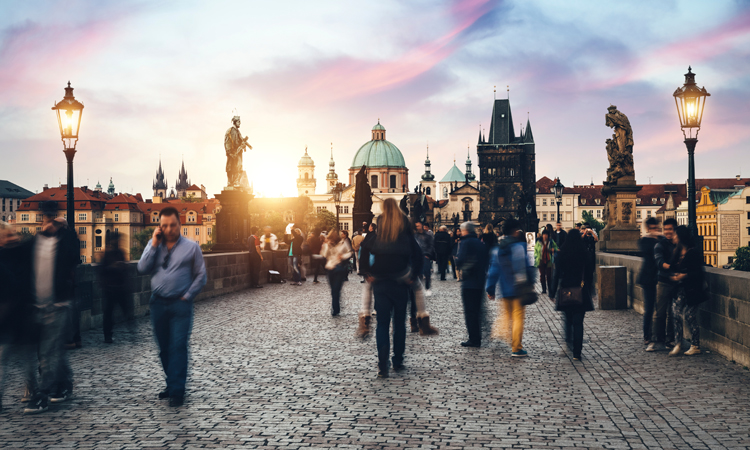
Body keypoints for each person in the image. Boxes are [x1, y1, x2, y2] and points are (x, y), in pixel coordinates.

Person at [137, 207, 207, 407]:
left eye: (173, 225)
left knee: (178, 346)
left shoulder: (192, 247)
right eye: (164, 226)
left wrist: (187, 296)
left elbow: (201, 275)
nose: (169, 229)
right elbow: (141, 268)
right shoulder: (153, 245)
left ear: (180, 224)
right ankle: (172, 383)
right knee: (164, 348)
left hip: (180, 304)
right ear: (160, 227)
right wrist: (154, 244)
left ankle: (177, 390)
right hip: (157, 303)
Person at [24, 202, 80, 414]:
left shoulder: (64, 240)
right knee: (50, 351)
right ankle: (64, 385)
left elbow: (75, 257)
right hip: (37, 304)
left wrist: (66, 230)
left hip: (58, 304)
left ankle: (42, 395)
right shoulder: (35, 241)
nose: (47, 219)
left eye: (50, 216)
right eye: (44, 216)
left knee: (47, 352)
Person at [359, 198, 423, 377]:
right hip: (401, 280)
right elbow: (417, 253)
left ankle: (382, 362)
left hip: (380, 280)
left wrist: (366, 272)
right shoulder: (405, 229)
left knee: (382, 323)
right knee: (399, 323)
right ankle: (398, 359)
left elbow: (363, 249)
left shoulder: (379, 230)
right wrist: (414, 275)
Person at [0, 222, 37, 414]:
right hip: (12, 318)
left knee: (27, 361)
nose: (11, 238)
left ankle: (33, 391)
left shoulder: (22, 252)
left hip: (20, 315)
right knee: (6, 361)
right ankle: (32, 391)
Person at [486, 218, 533, 357]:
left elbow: (493, 270)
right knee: (518, 317)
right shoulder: (519, 246)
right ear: (515, 231)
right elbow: (527, 267)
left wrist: (490, 288)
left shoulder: (498, 249)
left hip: (504, 289)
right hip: (519, 288)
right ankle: (516, 348)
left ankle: (500, 332)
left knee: (507, 315)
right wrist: (530, 282)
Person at [549, 229, 595, 360]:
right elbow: (590, 274)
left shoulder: (562, 253)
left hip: (566, 290)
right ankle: (577, 353)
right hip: (581, 290)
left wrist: (552, 292)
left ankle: (568, 341)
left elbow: (556, 274)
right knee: (578, 322)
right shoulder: (584, 253)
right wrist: (591, 291)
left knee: (568, 320)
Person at [668, 225, 706, 356]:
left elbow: (698, 272)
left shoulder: (693, 252)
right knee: (675, 314)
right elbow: (672, 267)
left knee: (690, 316)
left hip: (692, 289)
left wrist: (683, 275)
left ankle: (695, 345)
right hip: (679, 289)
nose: (673, 237)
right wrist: (674, 275)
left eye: (675, 235)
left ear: (681, 237)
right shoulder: (677, 251)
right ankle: (678, 343)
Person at [456, 222, 488, 348]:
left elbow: (460, 259)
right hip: (480, 281)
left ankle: (473, 339)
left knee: (470, 312)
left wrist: (457, 261)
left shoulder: (465, 242)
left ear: (465, 231)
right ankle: (478, 337)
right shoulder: (480, 242)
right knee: (477, 311)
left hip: (469, 282)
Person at [101, 233, 133, 343]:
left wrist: (123, 265)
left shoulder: (120, 252)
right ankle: (108, 336)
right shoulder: (106, 254)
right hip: (110, 288)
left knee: (127, 312)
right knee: (109, 314)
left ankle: (132, 331)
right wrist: (113, 266)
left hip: (120, 287)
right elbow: (102, 271)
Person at [651, 218, 677, 351]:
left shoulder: (679, 244)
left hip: (677, 282)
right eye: (665, 229)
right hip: (663, 281)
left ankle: (670, 340)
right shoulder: (660, 245)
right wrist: (674, 267)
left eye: (670, 229)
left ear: (675, 230)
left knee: (673, 314)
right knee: (659, 313)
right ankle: (656, 340)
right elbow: (660, 262)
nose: (667, 232)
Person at [638, 217, 660, 348]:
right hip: (648, 279)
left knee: (662, 310)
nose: (654, 231)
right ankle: (647, 335)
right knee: (649, 309)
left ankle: (660, 335)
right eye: (652, 229)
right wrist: (656, 238)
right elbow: (649, 253)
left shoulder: (661, 239)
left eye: (656, 228)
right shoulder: (644, 241)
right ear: (647, 229)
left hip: (661, 277)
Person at [320, 229, 352, 316]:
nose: (331, 241)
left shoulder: (343, 243)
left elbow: (349, 253)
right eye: (330, 239)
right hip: (330, 268)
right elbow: (323, 254)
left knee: (336, 289)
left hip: (339, 268)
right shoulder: (327, 244)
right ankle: (336, 306)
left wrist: (342, 256)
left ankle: (335, 309)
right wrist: (327, 245)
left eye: (332, 239)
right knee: (333, 290)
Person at [534, 228, 558, 295]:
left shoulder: (551, 241)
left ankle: (550, 289)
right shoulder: (538, 242)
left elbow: (556, 248)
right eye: (544, 235)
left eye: (546, 235)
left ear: (548, 235)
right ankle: (544, 289)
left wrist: (553, 249)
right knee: (542, 275)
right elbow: (535, 250)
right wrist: (536, 256)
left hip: (548, 260)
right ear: (542, 235)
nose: (545, 236)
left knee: (549, 275)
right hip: (541, 260)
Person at [414, 221, 435, 295]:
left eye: (418, 226)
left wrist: (428, 254)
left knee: (427, 272)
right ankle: (419, 288)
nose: (417, 227)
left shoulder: (428, 235)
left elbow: (431, 245)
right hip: (417, 256)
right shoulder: (415, 235)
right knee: (418, 273)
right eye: (416, 226)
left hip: (425, 255)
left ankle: (427, 288)